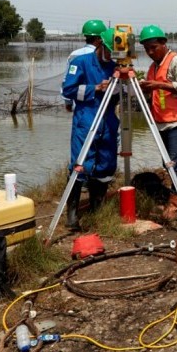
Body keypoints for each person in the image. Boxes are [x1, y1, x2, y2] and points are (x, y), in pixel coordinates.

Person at [61, 27, 120, 230]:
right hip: (86, 121)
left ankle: (97, 210)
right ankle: (72, 215)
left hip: (108, 121)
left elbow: (120, 97)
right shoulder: (80, 63)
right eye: (109, 50)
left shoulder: (115, 67)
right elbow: (68, 90)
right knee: (80, 165)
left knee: (105, 165)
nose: (111, 55)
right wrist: (95, 88)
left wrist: (120, 86)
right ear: (100, 44)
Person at [138, 25, 177, 220]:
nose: (150, 52)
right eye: (147, 49)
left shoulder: (176, 61)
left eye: (153, 47)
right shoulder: (154, 66)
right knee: (167, 162)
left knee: (176, 163)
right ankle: (174, 194)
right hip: (162, 121)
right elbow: (155, 90)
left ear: (163, 43)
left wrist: (159, 84)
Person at [62, 19, 107, 111]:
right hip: (99, 104)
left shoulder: (74, 55)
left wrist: (68, 102)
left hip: (80, 105)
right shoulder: (102, 56)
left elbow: (66, 81)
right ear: (100, 39)